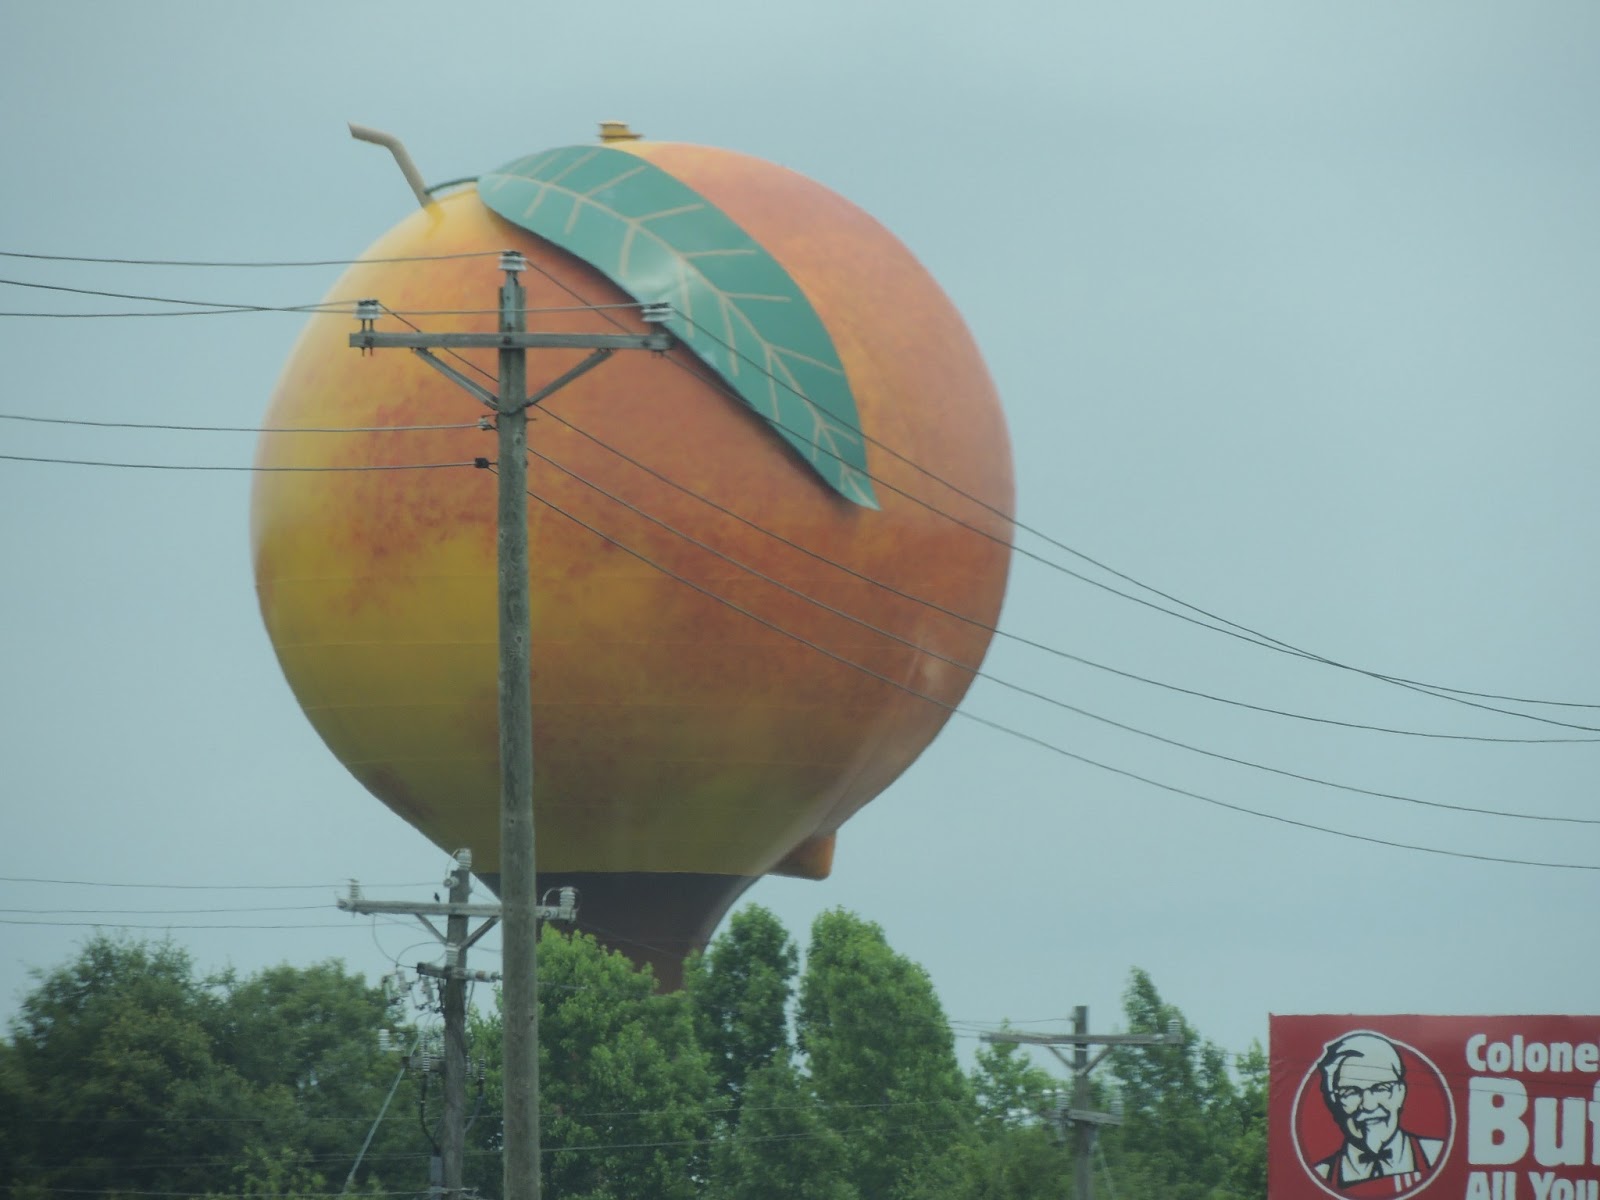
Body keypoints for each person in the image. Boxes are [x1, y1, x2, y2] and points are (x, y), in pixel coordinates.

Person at [1313, 1032, 1444, 1193]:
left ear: (1400, 1092)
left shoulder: (1438, 1157)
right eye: (1351, 1092)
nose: (1368, 1105)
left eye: (1381, 1088)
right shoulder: (1319, 1176)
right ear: (1334, 1100)